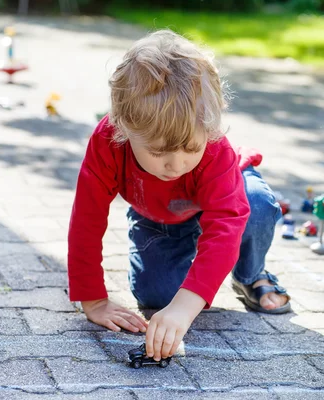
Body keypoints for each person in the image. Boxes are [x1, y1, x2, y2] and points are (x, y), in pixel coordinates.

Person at [68, 29, 291, 363]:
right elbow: (87, 219)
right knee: (157, 294)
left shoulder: (215, 151)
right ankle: (197, 265)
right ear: (126, 131)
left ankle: (250, 274)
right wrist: (94, 300)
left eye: (190, 147)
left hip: (223, 200)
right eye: (159, 152)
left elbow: (227, 223)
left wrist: (187, 307)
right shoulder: (108, 142)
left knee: (256, 205)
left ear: (208, 129)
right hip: (159, 217)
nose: (176, 163)